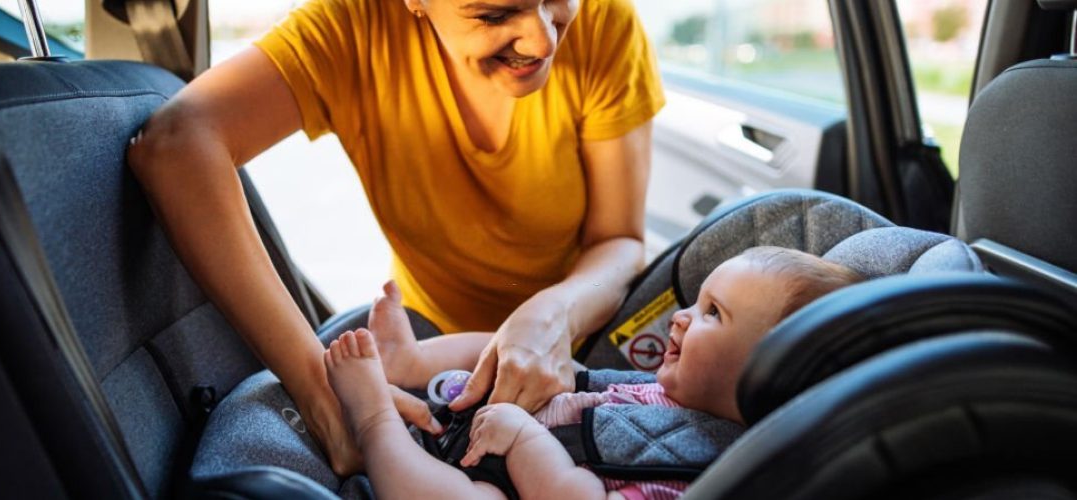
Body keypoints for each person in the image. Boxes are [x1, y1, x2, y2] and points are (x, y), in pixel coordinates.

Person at [126, 0, 664, 474]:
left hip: (587, 333)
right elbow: (174, 145)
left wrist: (553, 315)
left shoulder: (606, 20)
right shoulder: (352, 27)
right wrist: (325, 399)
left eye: (554, 0)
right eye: (495, 14)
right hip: (433, 347)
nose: (542, 39)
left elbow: (617, 240)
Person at [325, 246, 866, 499]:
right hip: (494, 430)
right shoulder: (674, 395)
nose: (681, 316)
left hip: (512, 480)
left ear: (768, 375)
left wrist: (522, 441)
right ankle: (411, 362)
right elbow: (586, 393)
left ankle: (372, 420)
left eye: (712, 314)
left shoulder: (702, 476)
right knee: (531, 354)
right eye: (697, 302)